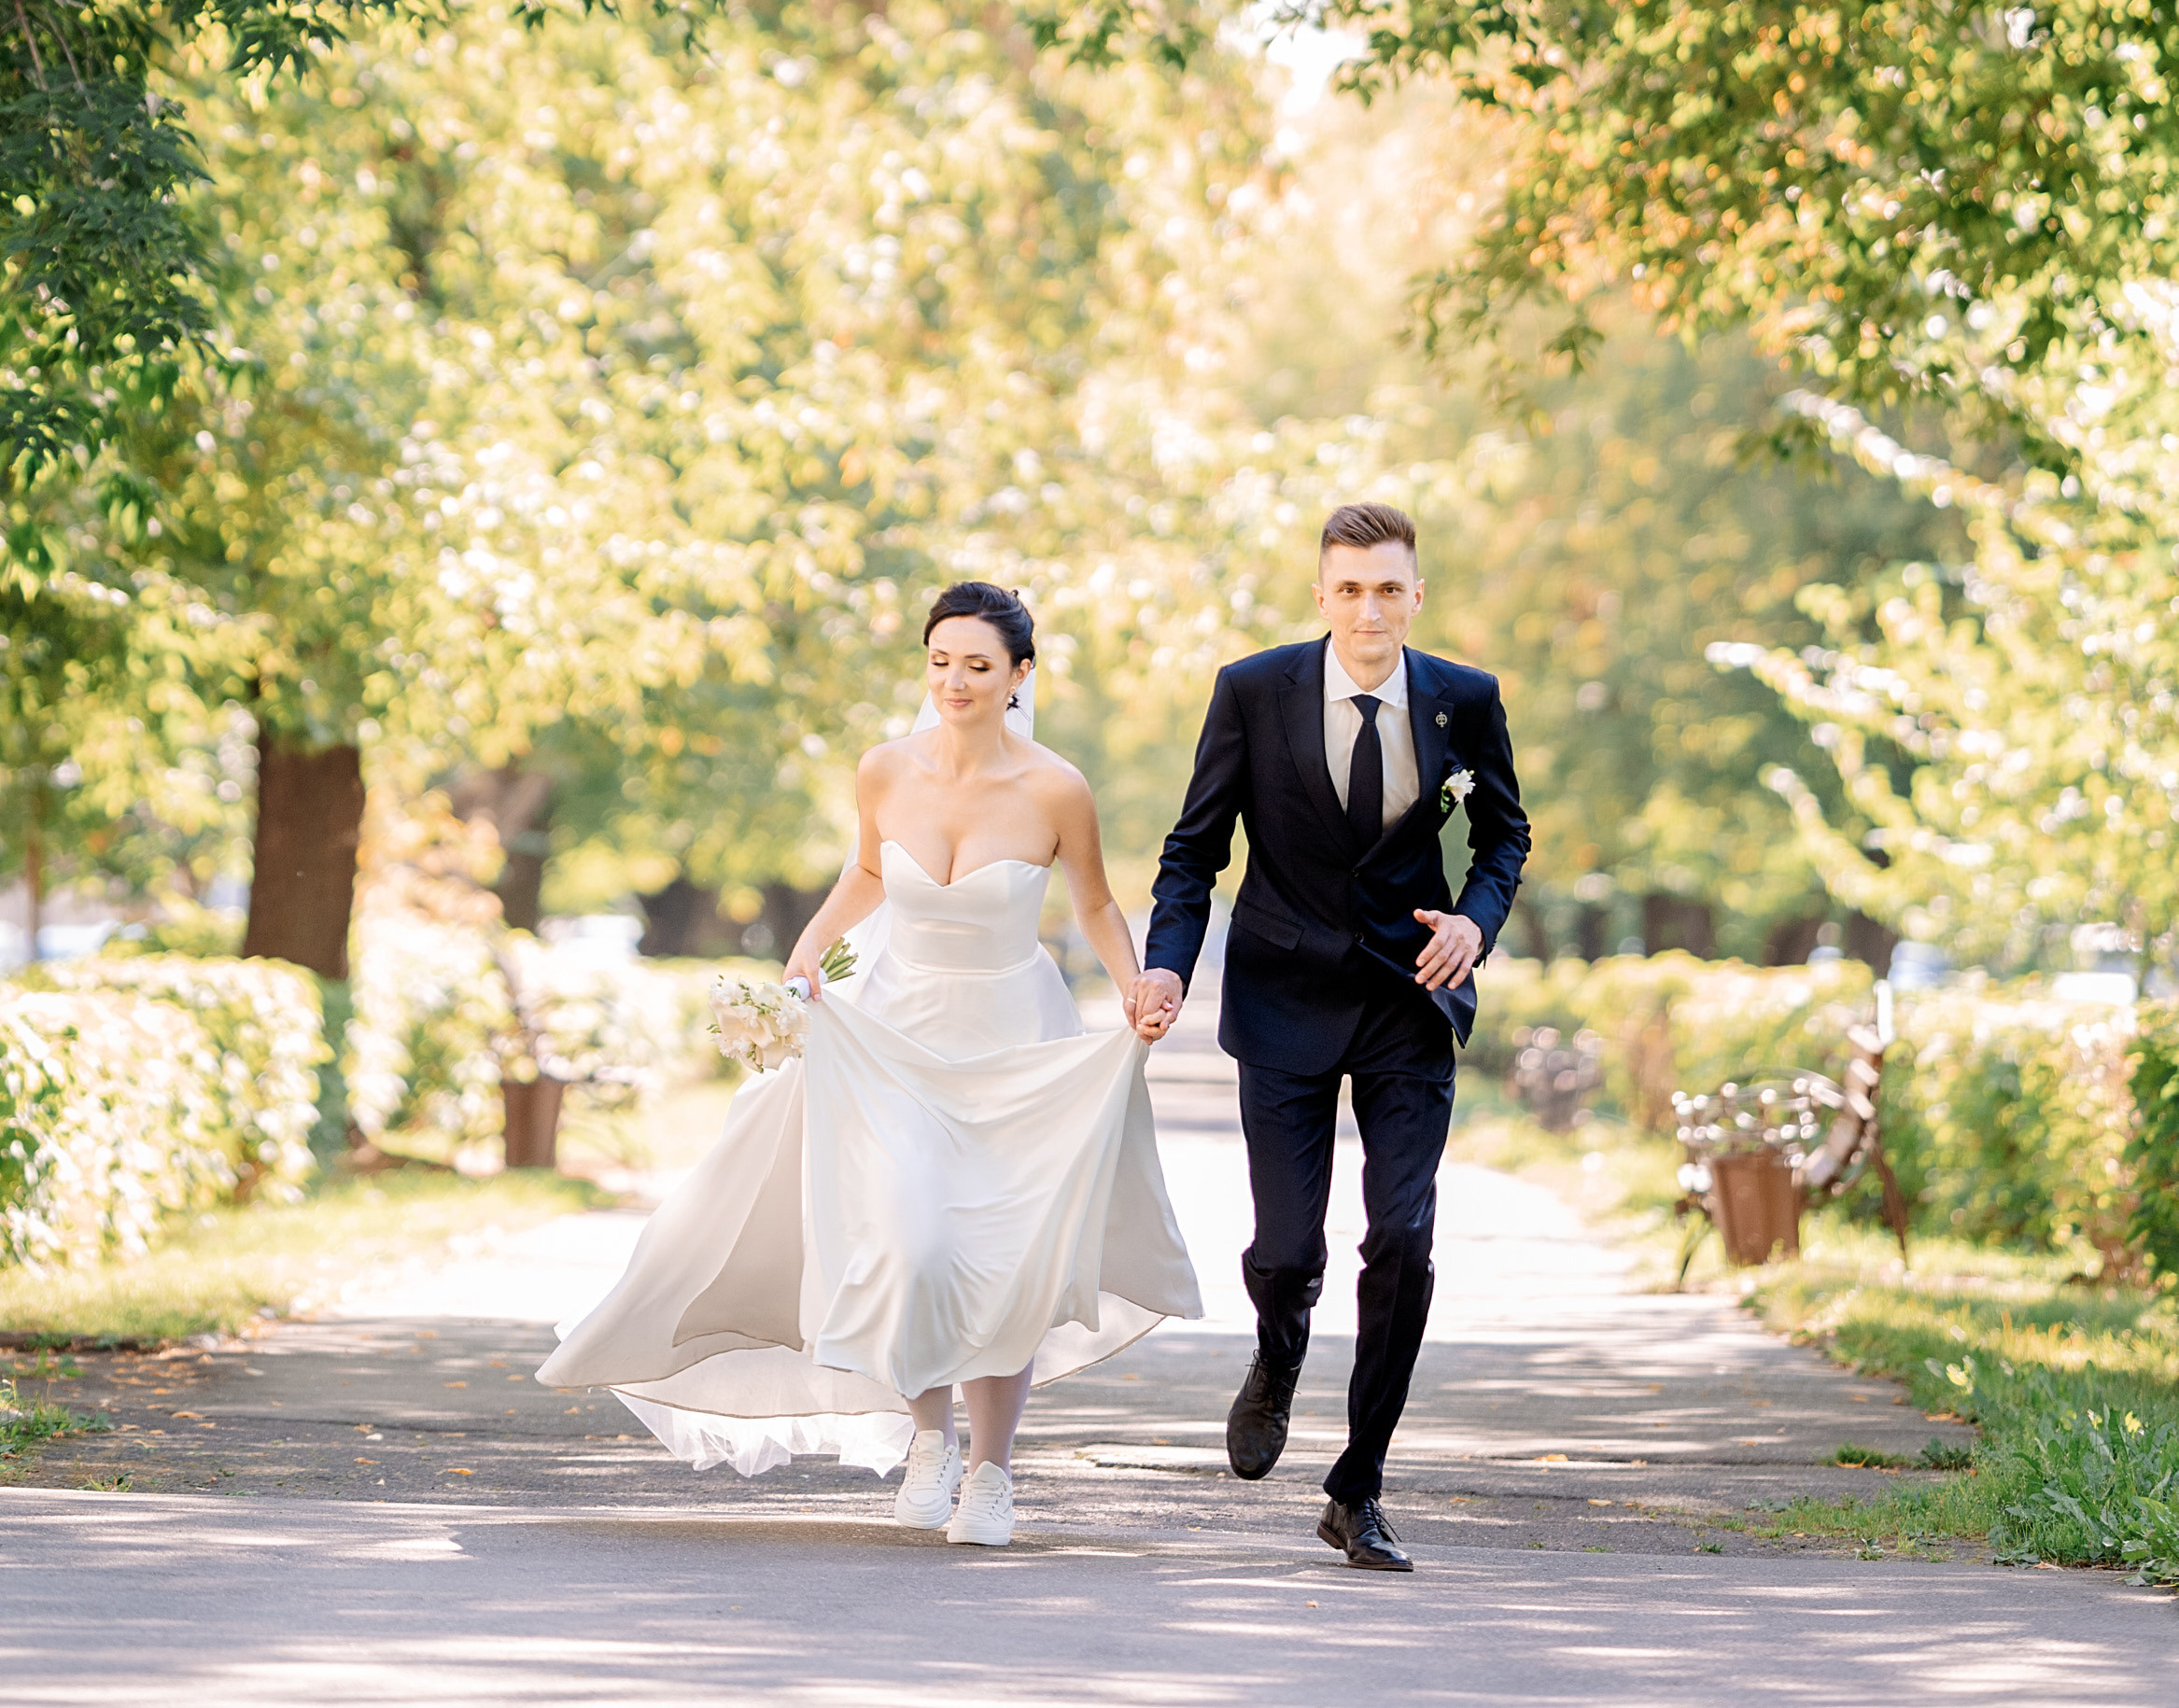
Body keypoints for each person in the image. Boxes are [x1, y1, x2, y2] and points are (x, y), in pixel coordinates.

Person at [538, 580, 1199, 1548]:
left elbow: (1095, 903)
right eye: (940, 661)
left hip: (1014, 1042)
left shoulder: (1058, 786)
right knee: (910, 1242)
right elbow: (869, 870)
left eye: (978, 664)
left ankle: (992, 1469)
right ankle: (930, 1437)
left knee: (1001, 1261)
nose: (955, 680)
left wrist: (1139, 985)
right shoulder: (885, 769)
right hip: (897, 1037)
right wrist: (807, 955)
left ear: (1020, 674)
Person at [1136, 499, 1529, 1575]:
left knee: (1402, 1240)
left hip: (1410, 995)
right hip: (1282, 994)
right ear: (1322, 595)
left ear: (1416, 595)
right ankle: (1278, 1342)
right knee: (1287, 1248)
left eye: (1389, 587)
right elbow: (1193, 848)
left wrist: (1475, 921)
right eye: (1349, 587)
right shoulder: (1253, 690)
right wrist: (1169, 959)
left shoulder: (1465, 698)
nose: (1370, 607)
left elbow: (1505, 831)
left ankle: (1358, 1485)